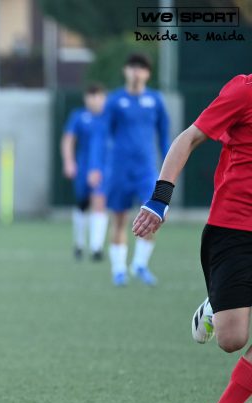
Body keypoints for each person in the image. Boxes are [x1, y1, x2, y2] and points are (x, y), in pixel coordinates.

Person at [133, 73, 252, 403]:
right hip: (234, 227)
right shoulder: (244, 90)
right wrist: (160, 200)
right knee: (232, 340)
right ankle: (216, 305)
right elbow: (188, 138)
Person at [89, 53, 170, 287]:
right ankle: (119, 269)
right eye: (132, 67)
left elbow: (165, 137)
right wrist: (96, 166)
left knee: (155, 215)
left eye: (141, 68)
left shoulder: (155, 100)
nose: (136, 72)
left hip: (146, 170)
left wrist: (170, 167)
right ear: (125, 71)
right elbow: (101, 135)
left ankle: (140, 264)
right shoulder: (115, 101)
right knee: (119, 218)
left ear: (148, 73)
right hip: (119, 170)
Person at [60, 83, 108, 261]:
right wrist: (69, 162)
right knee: (82, 204)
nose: (94, 100)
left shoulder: (109, 117)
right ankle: (79, 244)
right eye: (91, 96)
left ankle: (96, 247)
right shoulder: (78, 116)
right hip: (83, 166)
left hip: (104, 167)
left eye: (98, 96)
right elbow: (68, 140)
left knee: (99, 201)